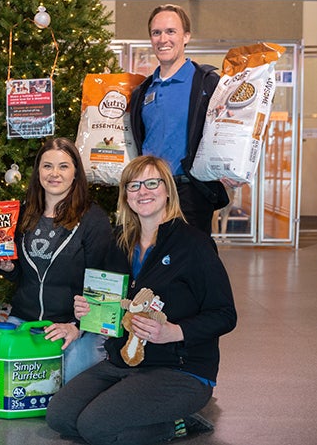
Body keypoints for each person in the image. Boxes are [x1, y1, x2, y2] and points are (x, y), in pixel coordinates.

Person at [45, 155, 238, 445]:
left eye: (151, 183)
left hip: (181, 370)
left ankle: (178, 424)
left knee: (94, 427)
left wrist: (174, 332)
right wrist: (87, 314)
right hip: (124, 361)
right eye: (133, 186)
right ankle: (137, 406)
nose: (142, 192)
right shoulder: (120, 242)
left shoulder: (194, 244)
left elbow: (225, 314)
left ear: (168, 190)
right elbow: (112, 306)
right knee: (60, 417)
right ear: (125, 196)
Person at [0, 137, 114, 382]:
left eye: (63, 166)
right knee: (2, 386)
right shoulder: (24, 214)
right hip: (25, 320)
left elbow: (105, 285)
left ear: (76, 173)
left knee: (69, 389)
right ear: (38, 172)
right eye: (47, 166)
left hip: (75, 326)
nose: (54, 173)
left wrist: (77, 327)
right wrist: (8, 268)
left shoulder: (93, 219)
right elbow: (23, 276)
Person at [130, 4, 234, 236]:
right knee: (152, 261)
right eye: (156, 33)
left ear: (186, 36)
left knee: (194, 263)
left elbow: (230, 129)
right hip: (151, 191)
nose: (162, 39)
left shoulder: (207, 83)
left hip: (191, 192)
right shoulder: (142, 91)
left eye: (170, 31)